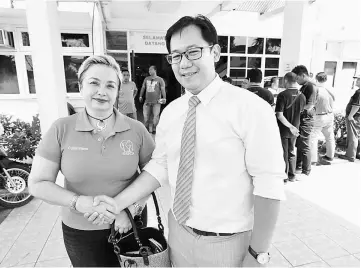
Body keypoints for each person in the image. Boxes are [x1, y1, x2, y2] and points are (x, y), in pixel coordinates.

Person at [89, 15, 286, 267]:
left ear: (214, 52)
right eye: (176, 56)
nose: (184, 63)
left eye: (193, 52)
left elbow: (269, 183)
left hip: (228, 243)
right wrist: (119, 203)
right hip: (178, 234)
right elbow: (159, 167)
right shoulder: (172, 111)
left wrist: (258, 254)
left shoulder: (251, 108)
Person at [28, 55, 155, 267]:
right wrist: (80, 203)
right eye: (94, 83)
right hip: (80, 231)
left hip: (129, 225)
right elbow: (38, 183)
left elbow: (154, 175)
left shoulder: (137, 130)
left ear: (117, 91)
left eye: (110, 85)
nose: (102, 92)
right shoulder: (61, 129)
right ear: (80, 87)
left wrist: (130, 210)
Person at [276, 72, 306, 183]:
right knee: (292, 151)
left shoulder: (282, 95)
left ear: (286, 81)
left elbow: (279, 114)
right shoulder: (302, 96)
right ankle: (292, 175)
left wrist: (289, 126)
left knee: (283, 152)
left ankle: (283, 176)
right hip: (295, 129)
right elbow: (302, 112)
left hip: (284, 128)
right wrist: (294, 127)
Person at [292, 65, 318, 180]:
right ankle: (298, 167)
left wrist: (297, 110)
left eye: (297, 78)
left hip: (306, 120)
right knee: (299, 144)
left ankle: (306, 171)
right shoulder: (304, 86)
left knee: (305, 145)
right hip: (301, 119)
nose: (296, 81)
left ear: (303, 75)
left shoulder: (311, 87)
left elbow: (310, 105)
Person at [310, 72, 335, 165]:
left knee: (313, 137)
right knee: (330, 137)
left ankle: (313, 159)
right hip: (330, 115)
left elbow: (312, 104)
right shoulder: (330, 89)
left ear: (316, 79)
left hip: (319, 116)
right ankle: (330, 156)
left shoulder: (316, 90)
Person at [139, 65, 166, 134]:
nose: (149, 71)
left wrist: (164, 98)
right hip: (147, 102)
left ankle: (154, 129)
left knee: (155, 117)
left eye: (151, 70)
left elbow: (163, 89)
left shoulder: (160, 79)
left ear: (155, 70)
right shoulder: (146, 79)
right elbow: (143, 88)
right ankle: (146, 129)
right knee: (146, 117)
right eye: (149, 70)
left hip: (156, 102)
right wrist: (140, 96)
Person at [339, 76, 360, 162]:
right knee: (356, 135)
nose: (356, 81)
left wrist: (350, 115)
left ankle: (350, 156)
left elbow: (356, 105)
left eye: (358, 80)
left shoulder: (359, 92)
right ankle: (356, 153)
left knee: (352, 137)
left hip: (354, 116)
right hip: (357, 116)